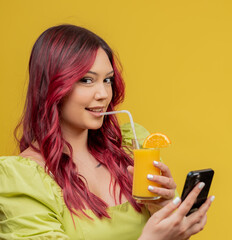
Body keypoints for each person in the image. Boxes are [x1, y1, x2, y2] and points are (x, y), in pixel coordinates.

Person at [0, 24, 214, 240]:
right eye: (86, 80)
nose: (103, 94)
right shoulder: (22, 179)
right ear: (53, 88)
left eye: (107, 80)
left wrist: (165, 210)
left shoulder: (131, 148)